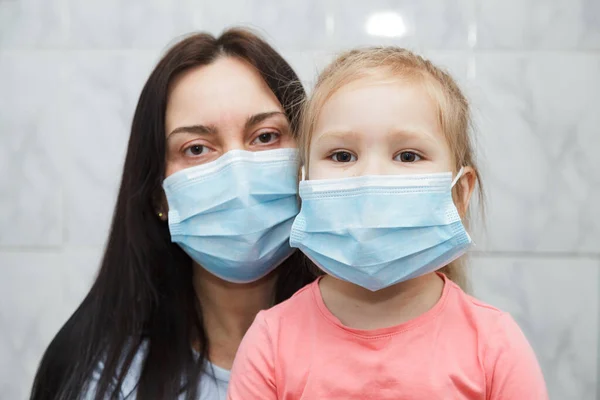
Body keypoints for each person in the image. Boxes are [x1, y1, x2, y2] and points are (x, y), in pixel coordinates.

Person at [227, 47, 548, 399]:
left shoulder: (495, 346)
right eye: (342, 155)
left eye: (408, 155)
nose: (370, 176)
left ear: (459, 193)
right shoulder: (270, 345)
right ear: (304, 183)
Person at [29, 28, 317, 400]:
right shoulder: (104, 378)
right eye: (197, 148)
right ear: (158, 196)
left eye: (265, 136)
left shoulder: (373, 349)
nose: (239, 172)